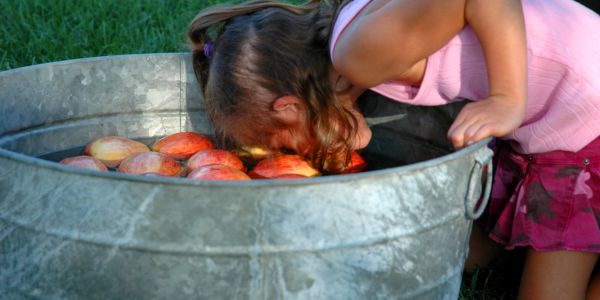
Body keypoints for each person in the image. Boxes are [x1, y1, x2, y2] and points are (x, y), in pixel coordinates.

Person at [188, 0, 600, 298]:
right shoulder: (347, 46)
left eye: (279, 144)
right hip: (551, 111)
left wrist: (507, 96)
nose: (290, 156)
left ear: (291, 107)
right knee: (457, 258)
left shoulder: (358, 55)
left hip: (584, 115)